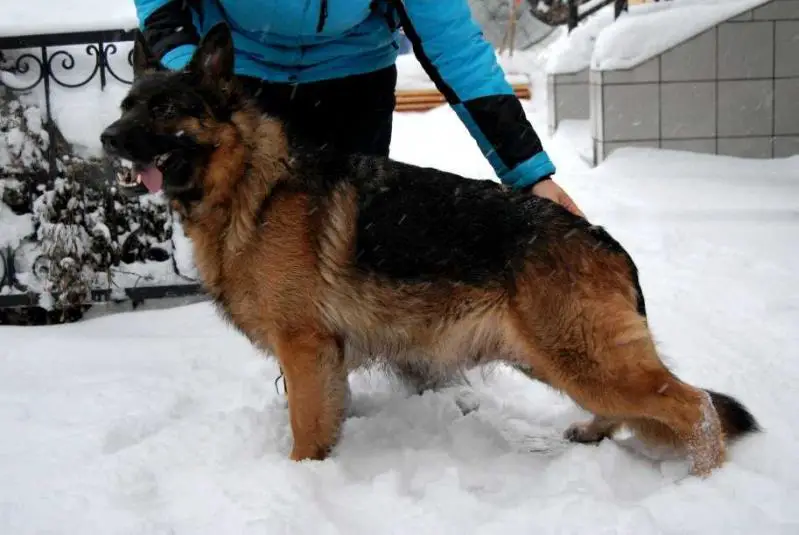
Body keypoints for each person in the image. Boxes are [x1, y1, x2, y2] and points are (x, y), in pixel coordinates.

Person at [132, 0, 584, 217]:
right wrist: (193, 80)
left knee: (356, 231)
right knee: (265, 233)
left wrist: (529, 174)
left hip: (353, 74)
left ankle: (371, 350)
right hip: (244, 73)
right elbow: (162, 7)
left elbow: (456, 50)